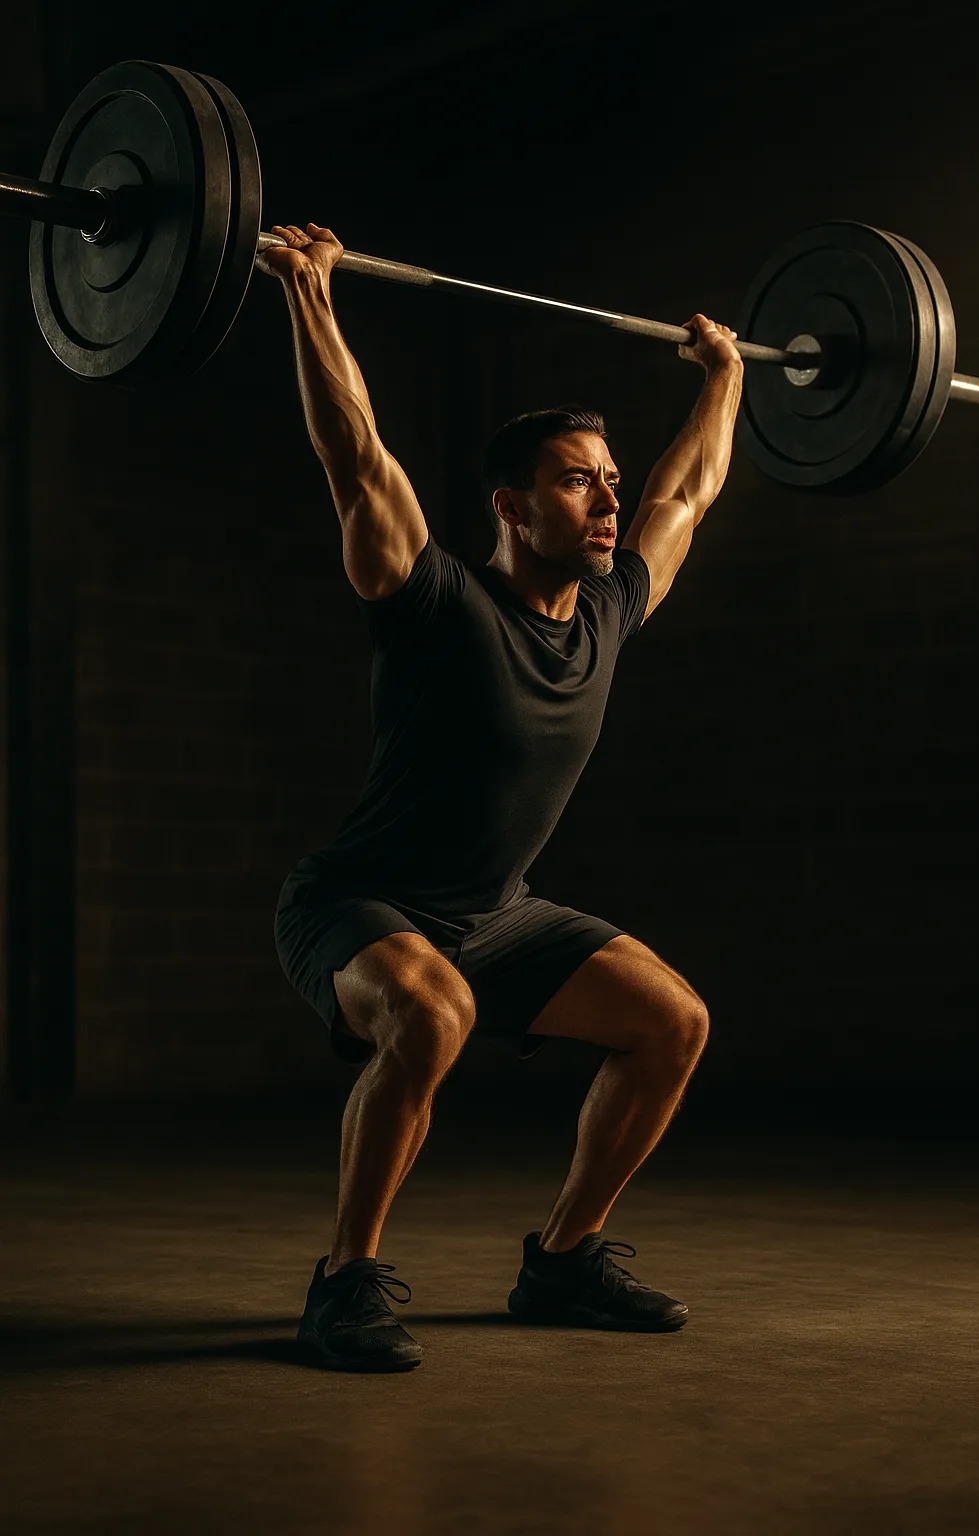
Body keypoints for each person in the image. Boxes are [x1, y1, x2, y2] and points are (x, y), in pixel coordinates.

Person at [260, 223, 743, 1373]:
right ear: (512, 505)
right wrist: (308, 294)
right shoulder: (432, 601)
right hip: (359, 900)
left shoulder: (612, 613)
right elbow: (354, 451)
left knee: (672, 1021)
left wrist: (725, 376)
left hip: (497, 911)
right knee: (432, 1017)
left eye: (607, 484)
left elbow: (690, 489)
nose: (608, 502)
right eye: (577, 481)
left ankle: (564, 1260)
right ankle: (343, 1283)